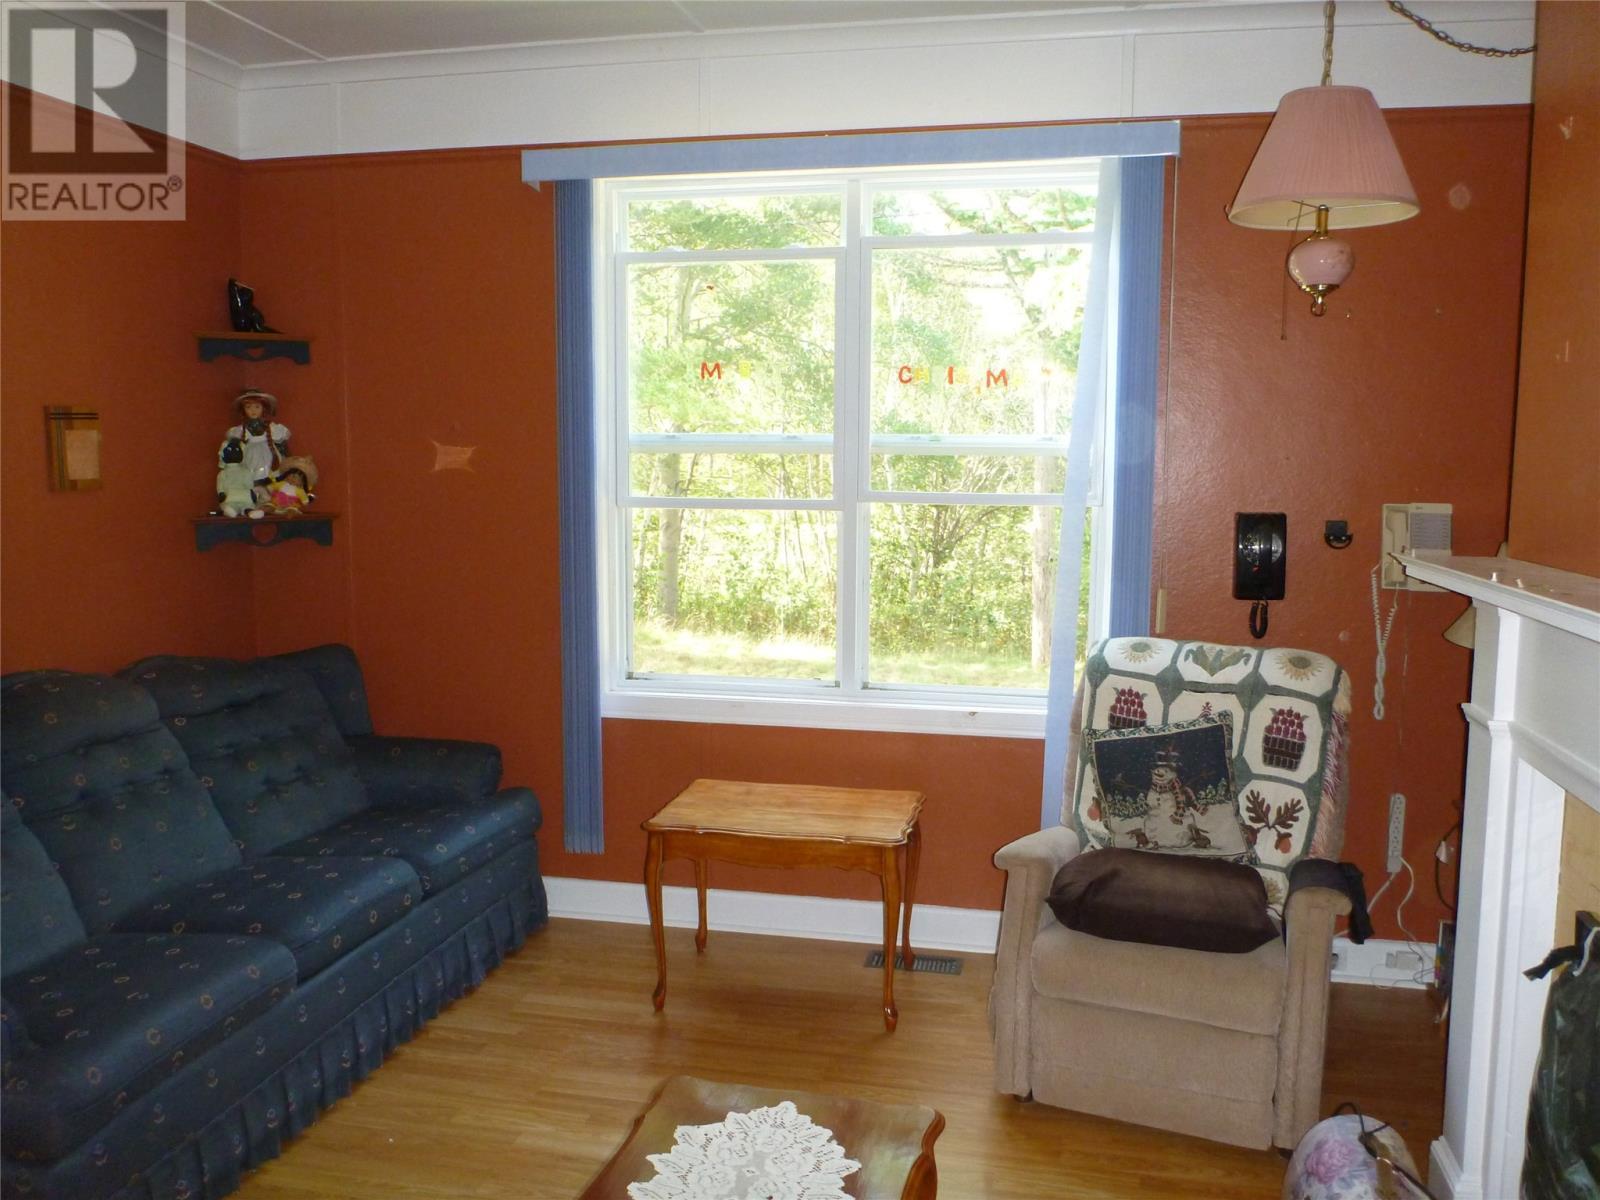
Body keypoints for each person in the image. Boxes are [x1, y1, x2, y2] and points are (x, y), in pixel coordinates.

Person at [219, 389, 289, 484]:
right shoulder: (239, 431)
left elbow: (283, 449)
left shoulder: (273, 429)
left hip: (268, 459)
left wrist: (287, 464)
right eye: (248, 407)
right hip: (249, 459)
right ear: (243, 410)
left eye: (257, 407)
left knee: (267, 477)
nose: (253, 411)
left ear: (263, 408)